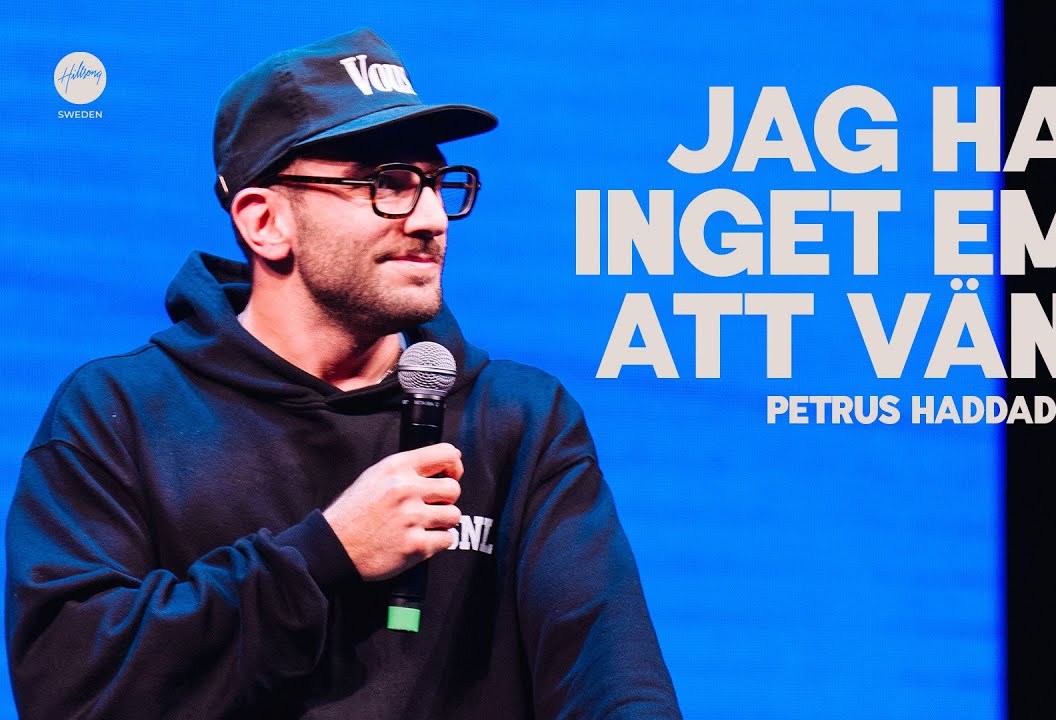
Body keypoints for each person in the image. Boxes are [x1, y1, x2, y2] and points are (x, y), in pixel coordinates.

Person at [6, 28, 681, 719]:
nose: (431, 218)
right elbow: (72, 693)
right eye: (387, 184)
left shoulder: (516, 419)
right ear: (266, 222)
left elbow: (615, 682)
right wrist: (324, 554)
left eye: (437, 183)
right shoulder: (123, 414)